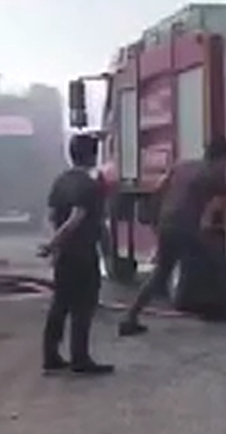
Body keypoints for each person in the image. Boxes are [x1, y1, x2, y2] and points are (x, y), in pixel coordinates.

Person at [118, 136, 226, 336]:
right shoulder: (213, 175)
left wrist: (155, 220)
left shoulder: (182, 167)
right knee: (223, 265)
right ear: (223, 158)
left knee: (161, 272)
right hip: (189, 227)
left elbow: (158, 190)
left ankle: (130, 317)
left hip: (167, 224)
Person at [39, 133, 114, 375]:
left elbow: (51, 216)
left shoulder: (61, 181)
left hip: (65, 255)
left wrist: (55, 246)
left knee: (60, 303)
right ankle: (80, 359)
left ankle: (50, 356)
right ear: (93, 156)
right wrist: (53, 243)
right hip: (82, 253)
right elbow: (77, 219)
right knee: (83, 306)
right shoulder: (89, 186)